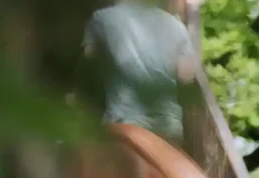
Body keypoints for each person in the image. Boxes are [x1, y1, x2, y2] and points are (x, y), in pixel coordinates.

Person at [82, 0, 200, 146]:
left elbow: (89, 58)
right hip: (169, 126)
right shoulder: (176, 26)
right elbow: (186, 76)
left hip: (124, 123)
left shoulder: (103, 18)